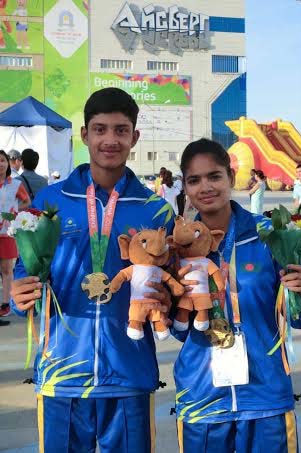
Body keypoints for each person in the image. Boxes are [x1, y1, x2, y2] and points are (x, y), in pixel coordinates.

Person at [10, 88, 174, 453]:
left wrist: (168, 301)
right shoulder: (49, 202)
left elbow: (173, 286)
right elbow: (27, 267)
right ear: (84, 135)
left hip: (129, 375)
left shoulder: (156, 211)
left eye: (120, 129)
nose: (110, 140)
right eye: (100, 129)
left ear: (135, 136)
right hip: (62, 374)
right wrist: (20, 291)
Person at [172, 138, 301, 453]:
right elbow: (176, 329)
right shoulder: (177, 247)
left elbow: (300, 318)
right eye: (194, 180)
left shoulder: (270, 235)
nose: (205, 187)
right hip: (202, 394)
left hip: (265, 392)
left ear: (231, 178)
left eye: (214, 176)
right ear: (185, 186)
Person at [0, 150, 30, 321]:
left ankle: (6, 304)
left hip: (7, 232)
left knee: (6, 269)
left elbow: (27, 201)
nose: (0, 164)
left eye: (3, 160)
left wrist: (15, 213)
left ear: (8, 164)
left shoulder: (15, 184)